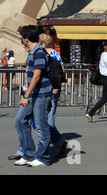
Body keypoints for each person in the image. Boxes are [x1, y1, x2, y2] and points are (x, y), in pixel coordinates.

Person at [14, 25, 52, 167]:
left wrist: (26, 96)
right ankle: (28, 154)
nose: (22, 41)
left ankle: (44, 157)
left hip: (41, 95)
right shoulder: (33, 52)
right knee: (20, 121)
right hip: (33, 94)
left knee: (41, 127)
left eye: (22, 38)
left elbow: (36, 76)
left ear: (26, 39)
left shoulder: (39, 53)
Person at [39, 34, 67, 158]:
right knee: (51, 112)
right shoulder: (56, 54)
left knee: (47, 113)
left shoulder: (45, 54)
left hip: (49, 87)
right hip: (55, 86)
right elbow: (63, 71)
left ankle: (51, 137)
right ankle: (51, 136)